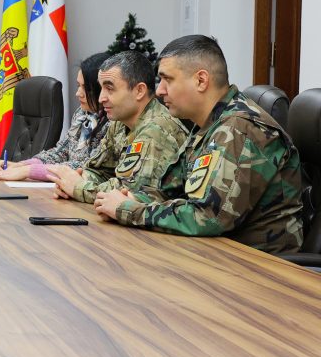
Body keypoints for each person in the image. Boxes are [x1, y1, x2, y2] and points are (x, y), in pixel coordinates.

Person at [93, 35, 303, 255]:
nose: (160, 90)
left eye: (167, 80)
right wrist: (132, 199)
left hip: (258, 264)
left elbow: (209, 217)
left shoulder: (240, 128)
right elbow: (170, 189)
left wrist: (129, 210)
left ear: (201, 80)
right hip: (215, 252)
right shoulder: (209, 124)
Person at [45, 51, 188, 203]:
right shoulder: (119, 122)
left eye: (110, 89)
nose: (101, 98)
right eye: (101, 88)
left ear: (139, 91)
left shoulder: (156, 130)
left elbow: (129, 193)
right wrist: (73, 181)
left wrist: (77, 187)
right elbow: (99, 170)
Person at [0, 52, 111, 182]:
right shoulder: (81, 114)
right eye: (78, 86)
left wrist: (28, 171)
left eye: (87, 89)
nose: (78, 93)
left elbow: (86, 167)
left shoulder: (112, 123)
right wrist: (21, 165)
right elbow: (61, 151)